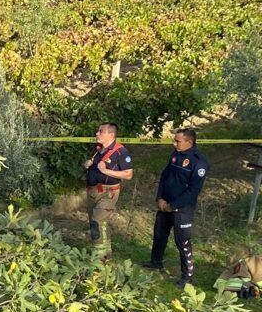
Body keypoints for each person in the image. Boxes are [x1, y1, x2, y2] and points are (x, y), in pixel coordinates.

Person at [142, 128, 209, 287]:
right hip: (164, 205)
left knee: (183, 242)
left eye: (177, 141)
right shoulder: (175, 154)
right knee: (159, 234)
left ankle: (187, 276)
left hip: (182, 209)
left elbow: (193, 191)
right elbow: (165, 176)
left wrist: (173, 205)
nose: (174, 143)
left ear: (189, 142)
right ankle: (156, 262)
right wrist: (160, 197)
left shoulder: (199, 162)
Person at [81, 123, 133, 260]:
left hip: (108, 193)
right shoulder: (100, 150)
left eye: (100, 132)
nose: (97, 134)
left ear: (111, 135)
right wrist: (88, 163)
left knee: (96, 222)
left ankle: (98, 259)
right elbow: (95, 163)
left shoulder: (121, 152)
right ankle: (106, 254)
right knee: (100, 223)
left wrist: (106, 171)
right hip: (93, 192)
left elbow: (128, 174)